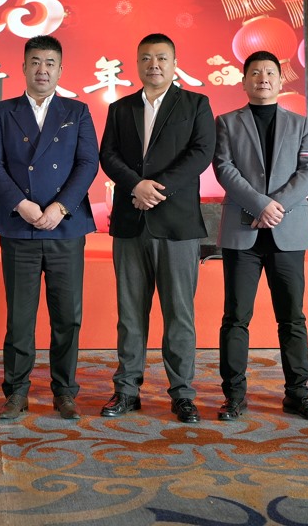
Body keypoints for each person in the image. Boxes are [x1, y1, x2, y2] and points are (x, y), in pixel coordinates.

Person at [97, 33, 215, 424]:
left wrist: (156, 189)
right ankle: (126, 390)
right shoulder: (120, 108)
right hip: (131, 222)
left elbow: (201, 153)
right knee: (130, 314)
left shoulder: (195, 104)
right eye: (146, 58)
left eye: (162, 58)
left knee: (179, 314)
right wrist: (136, 186)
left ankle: (182, 393)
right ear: (137, 63)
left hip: (177, 224)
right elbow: (108, 155)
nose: (154, 65)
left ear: (174, 63)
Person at [0, 34, 99, 420]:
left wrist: (61, 207)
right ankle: (16, 391)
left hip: (65, 227)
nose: (42, 70)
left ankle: (64, 391)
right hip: (20, 226)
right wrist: (22, 203)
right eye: (35, 62)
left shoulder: (77, 111)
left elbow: (88, 163)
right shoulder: (2, 111)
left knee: (67, 316)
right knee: (20, 317)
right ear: (23, 67)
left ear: (60, 70)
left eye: (49, 63)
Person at [213, 50, 308, 422]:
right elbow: (224, 168)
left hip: (287, 231)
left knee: (292, 318)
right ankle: (234, 396)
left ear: (280, 79)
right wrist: (260, 204)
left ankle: (298, 394)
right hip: (242, 233)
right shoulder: (227, 122)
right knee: (235, 317)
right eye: (255, 73)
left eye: (270, 73)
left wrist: (278, 206)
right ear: (244, 81)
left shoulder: (300, 123)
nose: (263, 78)